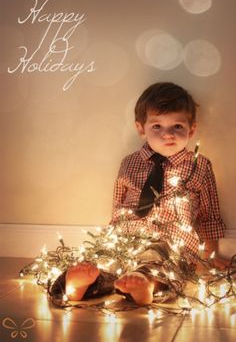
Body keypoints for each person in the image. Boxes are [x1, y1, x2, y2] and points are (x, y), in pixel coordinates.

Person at [53, 82, 227, 306]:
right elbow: (119, 204)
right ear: (141, 128)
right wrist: (111, 236)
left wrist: (209, 255)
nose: (167, 135)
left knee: (159, 262)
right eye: (157, 127)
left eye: (177, 126)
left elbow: (209, 213)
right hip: (127, 235)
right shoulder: (130, 163)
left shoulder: (199, 166)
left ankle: (146, 284)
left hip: (171, 241)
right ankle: (78, 285)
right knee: (102, 262)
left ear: (191, 129)